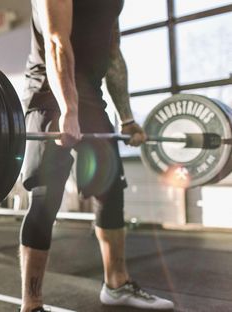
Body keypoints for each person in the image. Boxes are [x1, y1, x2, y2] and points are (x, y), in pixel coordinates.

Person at [19, 0, 175, 311]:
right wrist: (68, 111)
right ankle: (31, 304)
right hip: (48, 93)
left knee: (111, 189)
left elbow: (113, 54)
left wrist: (127, 119)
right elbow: (56, 41)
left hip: (90, 95)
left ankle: (116, 285)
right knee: (45, 195)